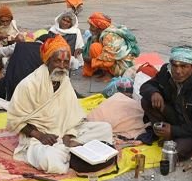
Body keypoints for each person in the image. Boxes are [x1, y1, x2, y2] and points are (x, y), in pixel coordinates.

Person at [6, 36, 113, 173]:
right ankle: (78, 155)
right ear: (48, 60)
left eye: (66, 62)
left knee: (105, 128)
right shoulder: (29, 85)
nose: (62, 66)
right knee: (51, 160)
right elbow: (14, 120)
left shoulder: (65, 81)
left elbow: (72, 116)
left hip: (65, 133)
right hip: (39, 137)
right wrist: (40, 136)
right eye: (57, 61)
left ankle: (72, 151)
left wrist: (68, 136)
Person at [139, 46, 192, 159]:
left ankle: (172, 135)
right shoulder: (166, 72)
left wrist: (173, 131)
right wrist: (154, 92)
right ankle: (164, 133)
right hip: (175, 116)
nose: (178, 71)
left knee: (174, 153)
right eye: (175, 65)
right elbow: (146, 86)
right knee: (147, 100)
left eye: (183, 66)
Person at [82, 12, 139, 78]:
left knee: (95, 47)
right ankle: (104, 71)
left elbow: (109, 59)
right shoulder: (105, 32)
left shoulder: (109, 36)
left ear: (99, 27)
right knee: (94, 44)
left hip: (122, 67)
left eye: (92, 26)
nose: (90, 29)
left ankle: (107, 74)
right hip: (118, 62)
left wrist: (91, 60)